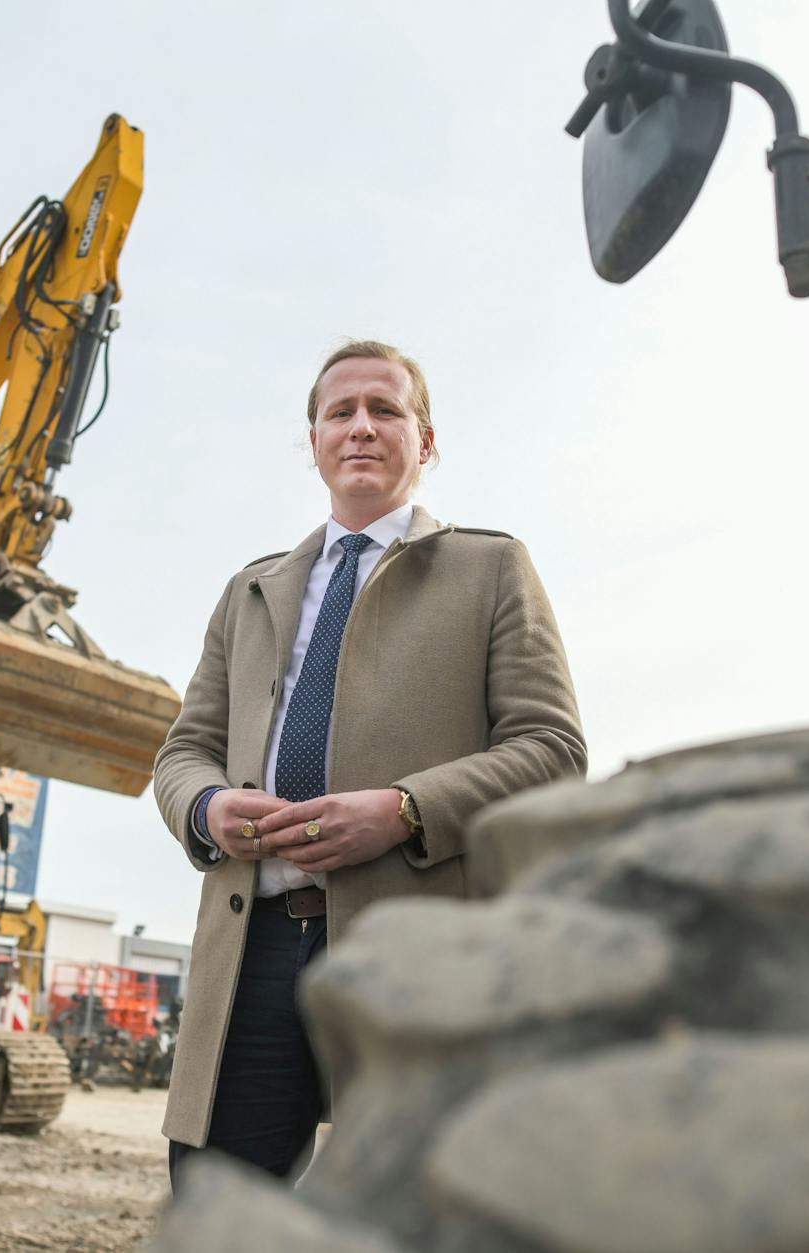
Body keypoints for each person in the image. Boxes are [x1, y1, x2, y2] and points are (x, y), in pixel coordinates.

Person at [153, 339, 586, 1186]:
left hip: (411, 945)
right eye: (339, 411)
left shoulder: (491, 568)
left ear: (425, 443)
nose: (360, 427)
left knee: (403, 1207)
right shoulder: (250, 591)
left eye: (385, 409)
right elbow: (185, 751)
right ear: (313, 440)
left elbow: (552, 749)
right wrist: (206, 807)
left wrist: (402, 809)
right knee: (223, 1212)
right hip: (253, 948)